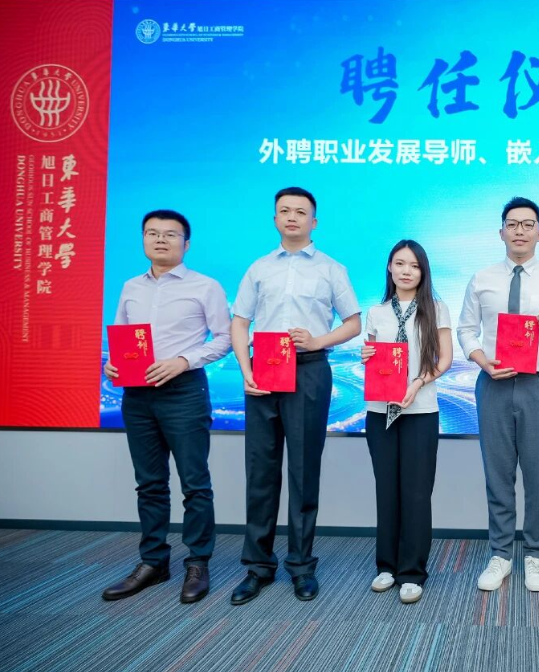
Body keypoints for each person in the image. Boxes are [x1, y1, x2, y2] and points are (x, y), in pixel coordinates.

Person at [229, 187, 361, 605]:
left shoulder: (330, 269)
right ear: (275, 219)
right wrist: (246, 370)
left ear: (313, 221)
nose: (291, 217)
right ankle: (258, 567)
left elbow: (354, 323)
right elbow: (239, 322)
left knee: (304, 472)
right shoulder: (259, 268)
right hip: (263, 371)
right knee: (261, 472)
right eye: (284, 211)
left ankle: (302, 566)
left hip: (308, 370)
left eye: (300, 212)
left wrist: (318, 340)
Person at [457, 196, 539, 593]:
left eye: (527, 225)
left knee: (538, 475)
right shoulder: (482, 279)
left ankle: (535, 554)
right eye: (512, 224)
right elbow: (466, 330)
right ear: (501, 232)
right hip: (494, 384)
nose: (520, 231)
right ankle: (500, 554)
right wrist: (482, 361)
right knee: (497, 474)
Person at [101, 210, 231, 604]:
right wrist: (112, 365)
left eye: (170, 234)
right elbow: (122, 337)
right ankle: (153, 562)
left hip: (183, 391)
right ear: (143, 239)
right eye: (152, 233)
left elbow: (225, 338)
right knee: (150, 483)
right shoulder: (130, 287)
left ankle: (198, 561)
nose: (160, 239)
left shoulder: (205, 286)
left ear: (185, 244)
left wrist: (184, 361)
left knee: (195, 483)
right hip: (137, 394)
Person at [361, 240, 452, 604]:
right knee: (386, 489)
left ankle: (412, 571)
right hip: (379, 411)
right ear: (389, 267)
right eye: (399, 263)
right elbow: (372, 358)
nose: (406, 271)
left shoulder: (436, 309)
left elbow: (444, 360)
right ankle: (386, 565)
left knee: (416, 492)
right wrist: (366, 355)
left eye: (414, 265)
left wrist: (417, 383)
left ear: (423, 271)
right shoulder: (376, 312)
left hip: (421, 411)